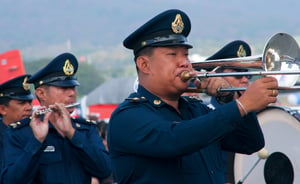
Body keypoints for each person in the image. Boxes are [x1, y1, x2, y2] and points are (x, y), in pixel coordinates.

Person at [107, 9, 279, 184]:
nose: (184, 62)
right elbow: (175, 139)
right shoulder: (127, 117)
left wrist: (228, 99)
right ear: (144, 65)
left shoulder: (196, 109)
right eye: (172, 54)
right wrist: (242, 105)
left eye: (186, 55)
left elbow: (250, 143)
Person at [0, 53, 112, 184]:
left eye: (73, 88)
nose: (72, 93)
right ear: (41, 94)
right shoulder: (19, 133)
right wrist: (37, 141)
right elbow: (11, 180)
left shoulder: (85, 129)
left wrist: (72, 134)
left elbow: (105, 170)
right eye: (64, 88)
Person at [205, 40, 253, 184]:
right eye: (237, 74)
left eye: (247, 74)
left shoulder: (252, 114)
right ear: (216, 78)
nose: (244, 79)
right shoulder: (207, 115)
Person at [0, 74, 34, 169]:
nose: (29, 108)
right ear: (3, 109)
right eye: (21, 103)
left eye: (30, 102)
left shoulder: (37, 132)